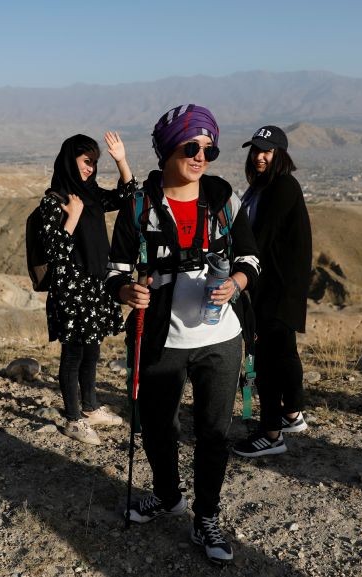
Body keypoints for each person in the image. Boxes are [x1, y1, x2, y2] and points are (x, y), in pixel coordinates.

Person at [105, 104, 259, 564]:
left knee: (214, 433)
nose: (201, 156)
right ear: (167, 149)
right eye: (191, 147)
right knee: (157, 428)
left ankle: (206, 515)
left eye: (209, 148)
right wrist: (127, 292)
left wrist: (235, 284)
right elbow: (114, 270)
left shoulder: (222, 199)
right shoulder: (140, 206)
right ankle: (168, 495)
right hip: (159, 340)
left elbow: (250, 258)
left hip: (221, 340)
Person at [39, 132, 137, 445]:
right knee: (73, 355)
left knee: (92, 350)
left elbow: (127, 196)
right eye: (86, 161)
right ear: (71, 160)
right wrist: (73, 218)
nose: (90, 168)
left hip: (94, 287)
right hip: (70, 290)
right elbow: (53, 251)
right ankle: (72, 418)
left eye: (94, 163)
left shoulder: (91, 193)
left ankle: (91, 408)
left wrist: (121, 160)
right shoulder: (54, 199)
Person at [232, 125, 312, 458]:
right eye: (256, 150)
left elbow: (259, 240)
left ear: (280, 154)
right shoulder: (263, 187)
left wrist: (239, 273)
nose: (260, 156)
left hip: (275, 290)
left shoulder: (281, 187)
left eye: (267, 151)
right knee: (284, 354)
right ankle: (292, 414)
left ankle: (271, 434)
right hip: (280, 289)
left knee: (265, 361)